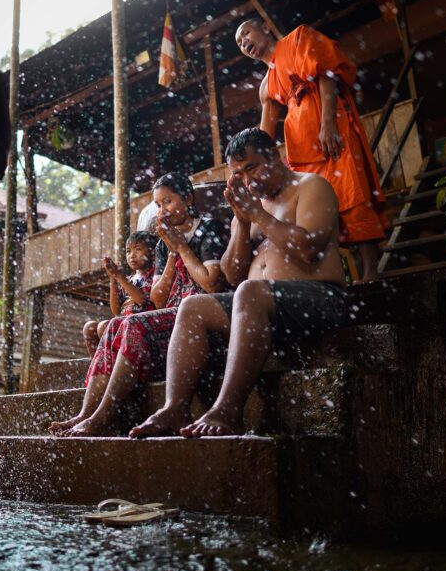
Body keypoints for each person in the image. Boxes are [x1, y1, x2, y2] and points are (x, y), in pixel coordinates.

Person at [130, 128, 348, 439]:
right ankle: (175, 407)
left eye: (252, 167)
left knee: (249, 292)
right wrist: (243, 225)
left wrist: (258, 214)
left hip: (320, 299)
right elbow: (233, 275)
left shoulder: (311, 187)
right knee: (193, 307)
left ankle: (228, 409)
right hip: (263, 309)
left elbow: (308, 249)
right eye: (238, 172)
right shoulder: (246, 210)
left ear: (273, 156)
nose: (247, 179)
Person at [49, 173, 228, 437]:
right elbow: (156, 301)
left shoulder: (208, 228)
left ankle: (103, 416)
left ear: (188, 198)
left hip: (199, 322)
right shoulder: (163, 245)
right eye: (158, 205)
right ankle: (86, 412)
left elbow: (212, 284)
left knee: (132, 322)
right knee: (113, 325)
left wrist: (183, 248)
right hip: (169, 322)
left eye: (168, 201)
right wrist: (171, 252)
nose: (163, 210)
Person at [235, 18, 388, 281]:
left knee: (352, 196)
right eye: (239, 42)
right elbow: (263, 136)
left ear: (265, 28)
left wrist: (328, 123)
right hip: (301, 149)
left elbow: (326, 73)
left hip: (331, 133)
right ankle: (347, 276)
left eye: (246, 33)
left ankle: (371, 272)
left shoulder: (298, 38)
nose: (244, 42)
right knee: (318, 210)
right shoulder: (266, 86)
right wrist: (244, 164)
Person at [82, 231, 159, 356]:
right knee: (90, 327)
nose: (132, 255)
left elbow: (142, 300)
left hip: (140, 326)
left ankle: (111, 367)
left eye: (138, 249)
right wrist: (113, 279)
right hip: (121, 324)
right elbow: (116, 310)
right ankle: (98, 365)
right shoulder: (128, 279)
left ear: (153, 253)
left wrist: (119, 276)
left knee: (104, 327)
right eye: (128, 251)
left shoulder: (154, 276)